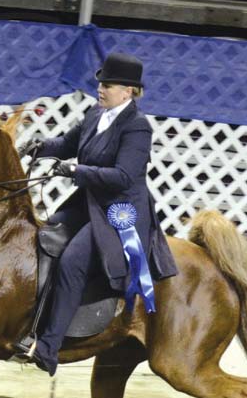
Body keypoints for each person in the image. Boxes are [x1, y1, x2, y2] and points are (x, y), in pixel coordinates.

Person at [15, 52, 178, 376]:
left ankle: (48, 347)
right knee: (44, 238)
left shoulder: (137, 127)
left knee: (74, 261)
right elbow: (66, 143)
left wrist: (77, 170)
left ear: (128, 91)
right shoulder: (96, 114)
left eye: (108, 84)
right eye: (100, 83)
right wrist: (38, 147)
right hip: (90, 205)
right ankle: (28, 321)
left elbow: (124, 176)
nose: (100, 88)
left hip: (121, 212)